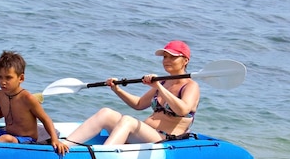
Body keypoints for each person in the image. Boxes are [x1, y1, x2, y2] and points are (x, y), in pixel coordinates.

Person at [63, 40, 200, 146]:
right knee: (106, 113)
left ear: (185, 60)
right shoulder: (164, 82)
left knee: (128, 120)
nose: (166, 61)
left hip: (164, 139)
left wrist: (158, 86)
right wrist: (117, 90)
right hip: (145, 134)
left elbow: (182, 110)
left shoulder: (190, 86)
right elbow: (139, 104)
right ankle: (66, 145)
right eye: (165, 57)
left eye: (172, 57)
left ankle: (104, 156)